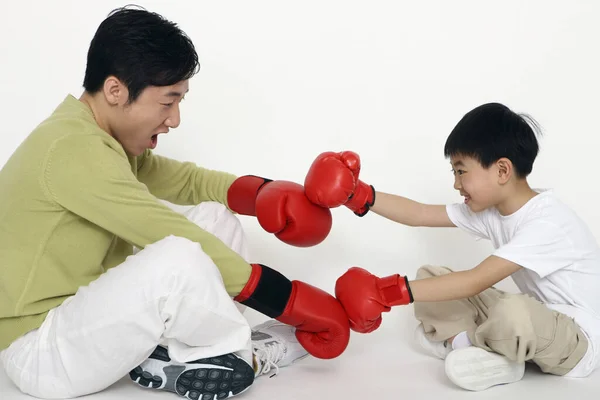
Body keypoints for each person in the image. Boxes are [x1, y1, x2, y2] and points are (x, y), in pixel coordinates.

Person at [0, 6, 351, 400]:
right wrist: (292, 303)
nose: (176, 119)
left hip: (86, 322)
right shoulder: (71, 151)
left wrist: (261, 193)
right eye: (167, 102)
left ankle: (183, 353)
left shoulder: (101, 139)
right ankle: (240, 355)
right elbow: (167, 233)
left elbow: (185, 181)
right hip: (43, 351)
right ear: (115, 91)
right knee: (180, 254)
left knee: (215, 219)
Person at [303, 102, 600, 391]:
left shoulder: (547, 223)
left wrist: (386, 293)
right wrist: (358, 194)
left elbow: (474, 281)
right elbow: (419, 214)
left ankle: (472, 345)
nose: (456, 184)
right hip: (537, 320)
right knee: (430, 275)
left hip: (577, 341)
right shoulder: (494, 211)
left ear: (502, 171)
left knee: (512, 309)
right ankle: (475, 348)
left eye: (461, 171)